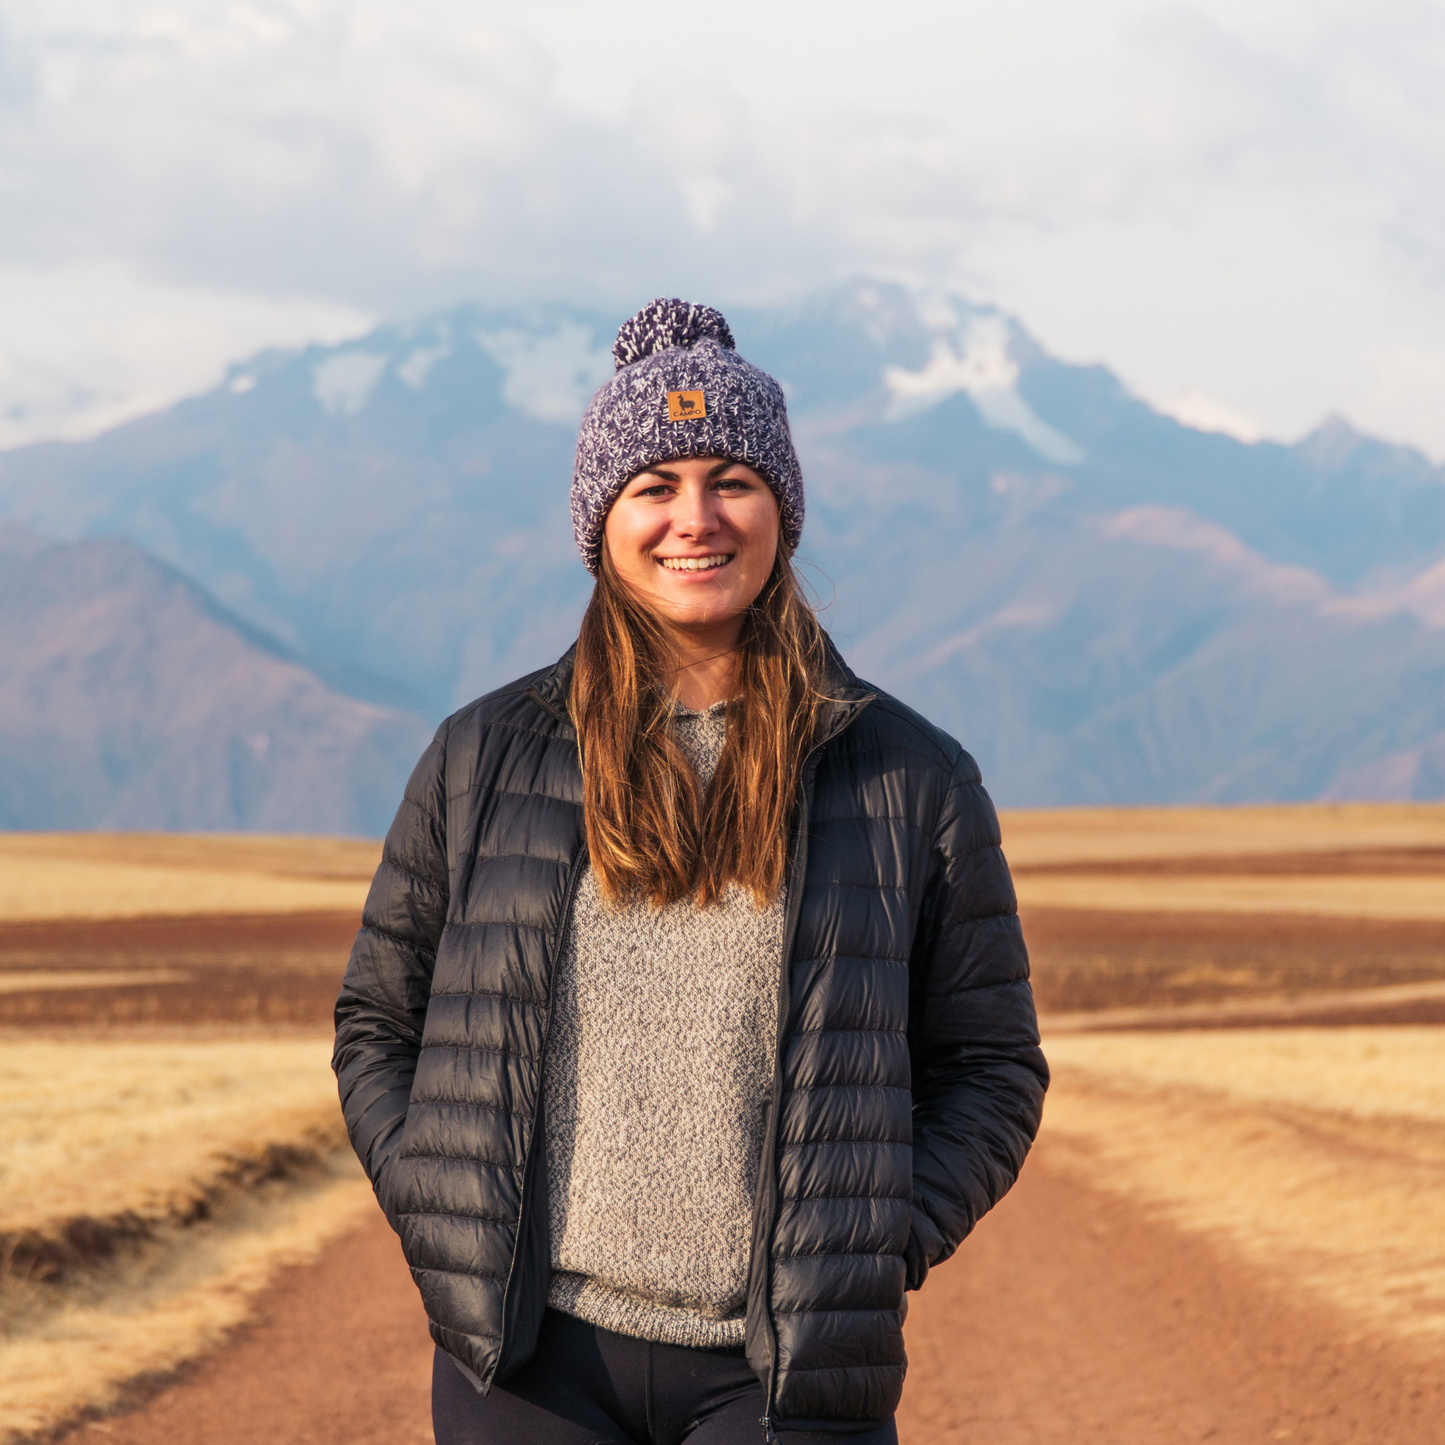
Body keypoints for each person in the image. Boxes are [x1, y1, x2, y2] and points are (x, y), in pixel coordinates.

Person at [333, 298, 1049, 1445]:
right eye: (652, 485)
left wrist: (872, 1234)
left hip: (779, 1378)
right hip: (525, 1368)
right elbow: (379, 1020)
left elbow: (991, 1066)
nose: (694, 519)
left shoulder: (910, 776)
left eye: (732, 479)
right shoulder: (483, 755)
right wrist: (439, 1206)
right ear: (599, 520)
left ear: (783, 509)